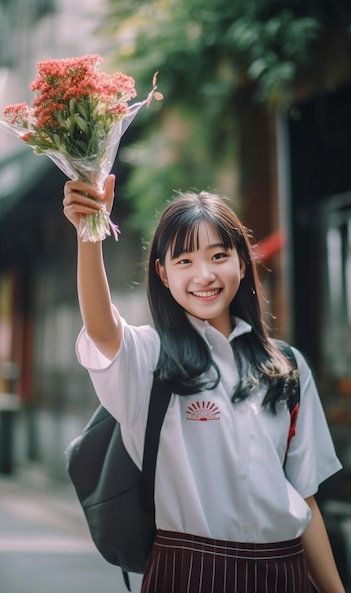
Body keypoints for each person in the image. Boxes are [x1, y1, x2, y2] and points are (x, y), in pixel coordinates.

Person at [63, 174, 345, 593]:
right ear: (162, 273)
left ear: (242, 261)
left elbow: (304, 498)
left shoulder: (286, 366)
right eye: (184, 261)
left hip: (284, 570)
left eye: (218, 255)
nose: (204, 275)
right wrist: (90, 231)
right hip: (189, 572)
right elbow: (103, 331)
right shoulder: (149, 357)